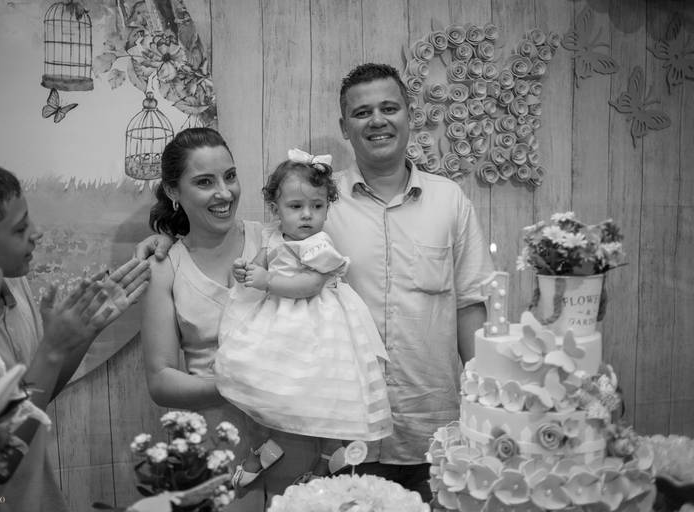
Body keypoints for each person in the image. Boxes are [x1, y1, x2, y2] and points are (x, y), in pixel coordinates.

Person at [135, 63, 493, 503]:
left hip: (412, 426)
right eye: (361, 112)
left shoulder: (441, 201)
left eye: (389, 108)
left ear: (410, 113)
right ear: (344, 127)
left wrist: (485, 404)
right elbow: (219, 234)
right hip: (297, 435)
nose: (377, 121)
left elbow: (470, 305)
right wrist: (165, 240)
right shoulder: (310, 204)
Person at [0, 159, 150, 512]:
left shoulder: (11, 282)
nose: (37, 231)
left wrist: (83, 332)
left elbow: (36, 397)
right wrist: (52, 350)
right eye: (20, 229)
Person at [140, 128, 320, 510]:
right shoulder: (165, 266)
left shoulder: (278, 241)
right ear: (173, 191)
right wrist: (239, 383)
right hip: (219, 449)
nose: (224, 193)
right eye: (205, 182)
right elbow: (160, 380)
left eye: (230, 176)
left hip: (295, 440)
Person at [215, 149, 392, 485]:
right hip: (276, 320)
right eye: (296, 207)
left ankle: (329, 457)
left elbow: (311, 285)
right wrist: (245, 270)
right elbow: (260, 263)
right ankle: (265, 445)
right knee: (255, 378)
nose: (307, 215)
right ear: (275, 209)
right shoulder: (272, 235)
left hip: (318, 324)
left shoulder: (319, 245)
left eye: (318, 206)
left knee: (323, 391)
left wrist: (267, 281)